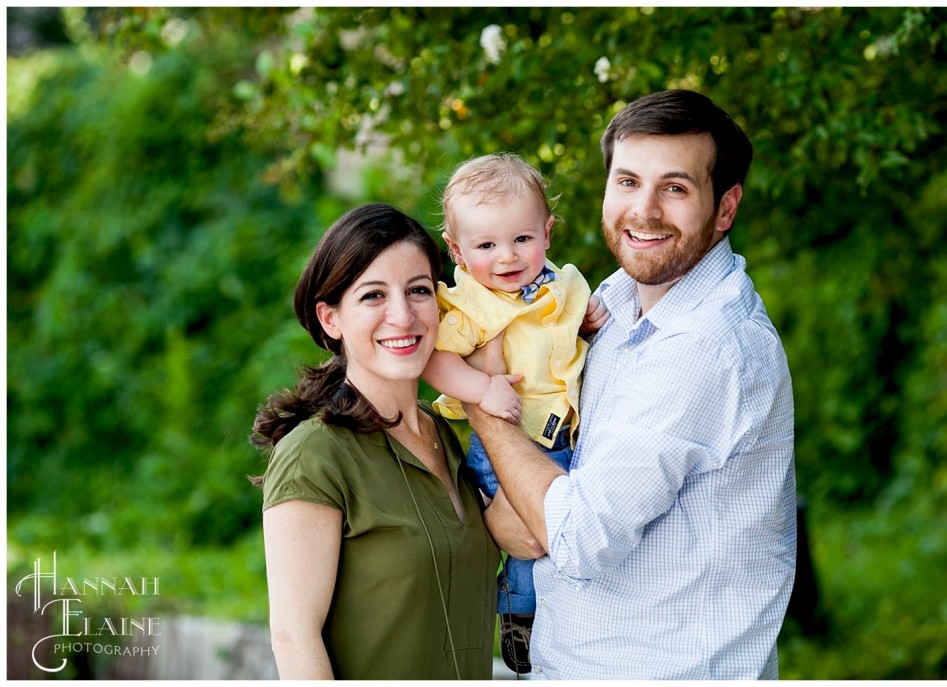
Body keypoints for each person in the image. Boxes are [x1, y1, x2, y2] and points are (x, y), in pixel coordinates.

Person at [465, 90, 797, 679]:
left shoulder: (706, 345)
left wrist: (485, 408)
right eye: (627, 181)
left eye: (675, 188)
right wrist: (523, 508)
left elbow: (573, 535)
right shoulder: (610, 307)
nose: (643, 211)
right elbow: (538, 512)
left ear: (725, 208)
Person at [250, 203, 501, 680]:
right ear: (331, 319)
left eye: (419, 291)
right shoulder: (314, 453)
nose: (402, 316)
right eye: (373, 296)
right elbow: (293, 637)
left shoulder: (443, 433)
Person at [420, 152, 608, 674]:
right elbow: (433, 359)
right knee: (530, 543)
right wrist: (481, 388)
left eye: (522, 239)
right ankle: (517, 612)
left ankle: (565, 622)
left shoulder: (563, 284)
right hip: (503, 445)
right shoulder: (471, 306)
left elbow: (568, 334)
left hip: (564, 434)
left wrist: (585, 323)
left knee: (575, 532)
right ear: (457, 252)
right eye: (485, 245)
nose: (506, 256)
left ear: (546, 233)